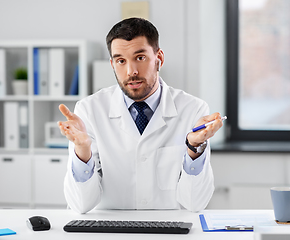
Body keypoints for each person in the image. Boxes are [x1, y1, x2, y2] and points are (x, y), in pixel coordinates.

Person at [58, 17, 223, 214]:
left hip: (170, 229)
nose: (131, 71)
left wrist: (194, 148)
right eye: (121, 61)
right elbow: (81, 205)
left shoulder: (193, 110)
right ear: (112, 64)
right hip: (110, 229)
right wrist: (82, 151)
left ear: (159, 58)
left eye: (140, 57)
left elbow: (195, 203)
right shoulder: (89, 110)